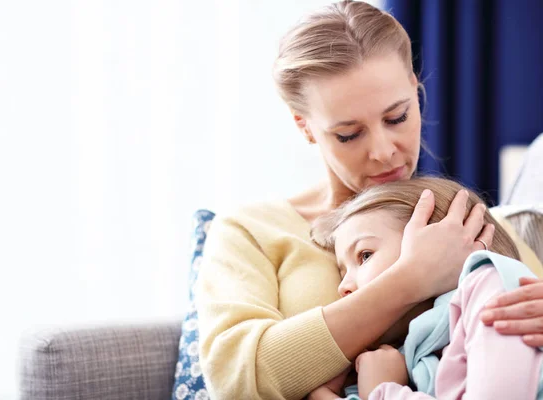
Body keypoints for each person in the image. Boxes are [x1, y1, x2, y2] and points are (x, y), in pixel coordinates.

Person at [196, 2, 543, 399]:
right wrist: (409, 280)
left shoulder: (469, 225)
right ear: (304, 125)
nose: (383, 151)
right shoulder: (252, 231)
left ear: (416, 88)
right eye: (348, 134)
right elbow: (235, 381)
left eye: (396, 117)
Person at [309, 177, 542, 399]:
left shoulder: (491, 286)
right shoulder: (409, 354)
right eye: (342, 272)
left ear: (443, 243)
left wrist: (381, 391)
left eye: (365, 255)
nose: (343, 287)